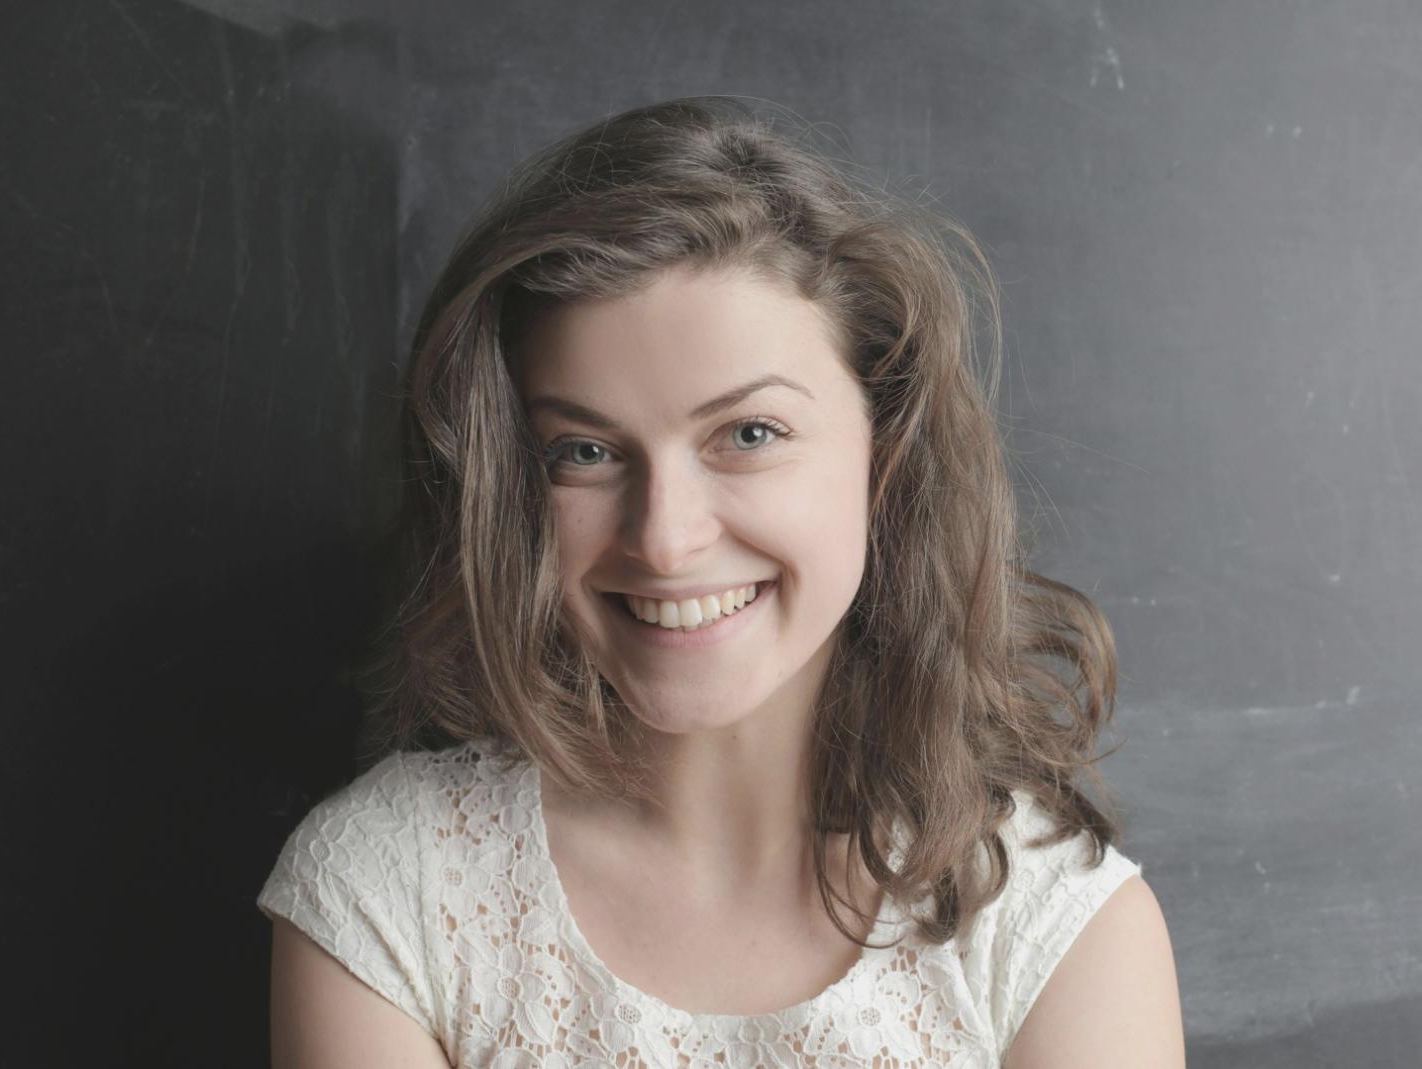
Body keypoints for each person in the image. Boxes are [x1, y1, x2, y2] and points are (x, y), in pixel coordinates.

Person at [256, 95, 1184, 1068]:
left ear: (887, 453)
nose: (663, 539)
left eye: (748, 434)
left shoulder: (1057, 932)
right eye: (582, 450)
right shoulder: (388, 890)